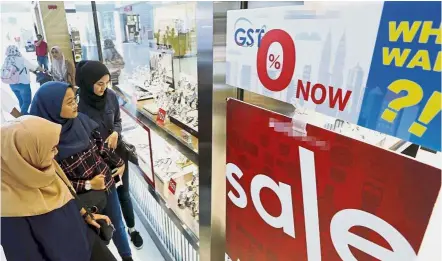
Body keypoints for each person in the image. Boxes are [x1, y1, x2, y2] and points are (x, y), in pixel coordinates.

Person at [30, 81, 134, 261]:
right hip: (80, 200)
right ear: (52, 107)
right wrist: (88, 184)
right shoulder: (43, 142)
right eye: (69, 102)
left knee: (117, 223)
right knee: (94, 233)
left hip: (106, 184)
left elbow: (100, 145)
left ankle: (127, 257)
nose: (76, 104)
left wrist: (118, 161)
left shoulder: (80, 121)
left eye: (75, 99)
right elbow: (55, 182)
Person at [1, 115, 117, 261]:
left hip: (87, 241)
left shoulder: (45, 168)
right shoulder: (8, 210)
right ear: (26, 154)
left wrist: (85, 214)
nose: (56, 153)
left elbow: (67, 193)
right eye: (51, 149)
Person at [77, 60, 144, 249]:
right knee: (109, 201)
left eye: (106, 83)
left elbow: (117, 120)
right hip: (96, 162)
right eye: (99, 84)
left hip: (118, 155)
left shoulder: (111, 96)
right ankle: (118, 235)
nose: (103, 88)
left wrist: (116, 132)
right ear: (88, 82)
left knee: (124, 194)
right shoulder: (79, 105)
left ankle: (132, 229)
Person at [1, 45, 40, 115]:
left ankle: (23, 114)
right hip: (23, 84)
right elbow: (33, 67)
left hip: (12, 84)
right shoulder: (21, 59)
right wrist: (42, 69)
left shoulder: (7, 60)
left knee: (21, 100)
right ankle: (23, 115)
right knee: (27, 101)